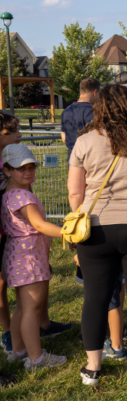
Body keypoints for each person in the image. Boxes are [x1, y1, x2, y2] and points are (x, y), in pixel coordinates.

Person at [68, 84, 127, 385]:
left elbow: (75, 193)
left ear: (99, 106)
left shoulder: (84, 141)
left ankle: (92, 367)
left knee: (95, 297)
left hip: (95, 227)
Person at [0, 115, 70, 355]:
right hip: (28, 257)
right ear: (7, 170)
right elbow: (39, 224)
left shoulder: (10, 194)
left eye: (31, 167)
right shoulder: (22, 196)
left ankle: (18, 350)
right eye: (21, 169)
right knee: (32, 308)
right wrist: (68, 234)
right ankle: (36, 357)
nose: (28, 172)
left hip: (16, 255)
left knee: (21, 307)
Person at [61, 77, 101, 161]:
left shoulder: (66, 110)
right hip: (89, 158)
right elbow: (96, 136)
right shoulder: (91, 111)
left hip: (72, 158)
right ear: (95, 92)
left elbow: (64, 138)